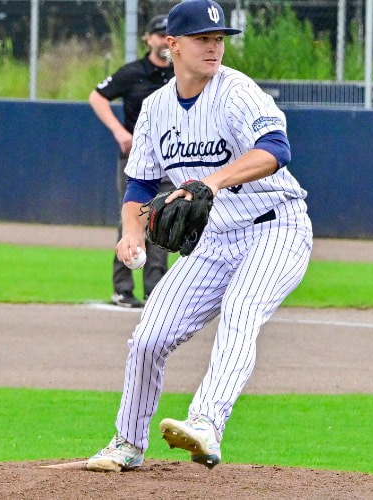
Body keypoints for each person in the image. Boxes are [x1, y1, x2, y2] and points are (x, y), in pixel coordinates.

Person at [84, 0, 312, 472]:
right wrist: (132, 233)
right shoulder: (154, 109)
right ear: (172, 46)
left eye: (219, 39)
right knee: (148, 338)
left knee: (241, 310)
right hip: (212, 241)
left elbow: (275, 149)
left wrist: (211, 181)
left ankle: (206, 422)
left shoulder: (236, 92)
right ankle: (128, 442)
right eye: (202, 39)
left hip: (276, 227)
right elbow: (142, 183)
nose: (214, 47)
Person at [89, 14, 176, 309]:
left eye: (169, 34)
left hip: (169, 158)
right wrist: (118, 131)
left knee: (161, 221)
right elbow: (97, 96)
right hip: (135, 157)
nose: (164, 39)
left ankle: (155, 289)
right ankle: (123, 289)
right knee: (130, 218)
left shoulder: (181, 73)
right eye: (159, 34)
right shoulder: (133, 72)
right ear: (148, 39)